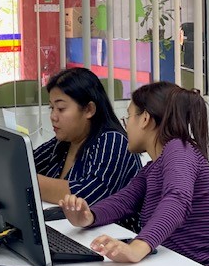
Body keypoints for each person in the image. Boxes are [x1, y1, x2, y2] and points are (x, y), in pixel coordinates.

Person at [59, 81, 209, 266]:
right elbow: (124, 201)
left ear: (145, 119)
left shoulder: (179, 149)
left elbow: (177, 200)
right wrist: (89, 216)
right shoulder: (153, 167)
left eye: (128, 117)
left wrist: (137, 247)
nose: (126, 127)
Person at [34, 68, 142, 207]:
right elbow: (26, 164)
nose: (53, 116)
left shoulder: (113, 141)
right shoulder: (63, 141)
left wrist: (31, 182)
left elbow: (88, 195)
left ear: (89, 109)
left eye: (61, 108)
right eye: (51, 108)